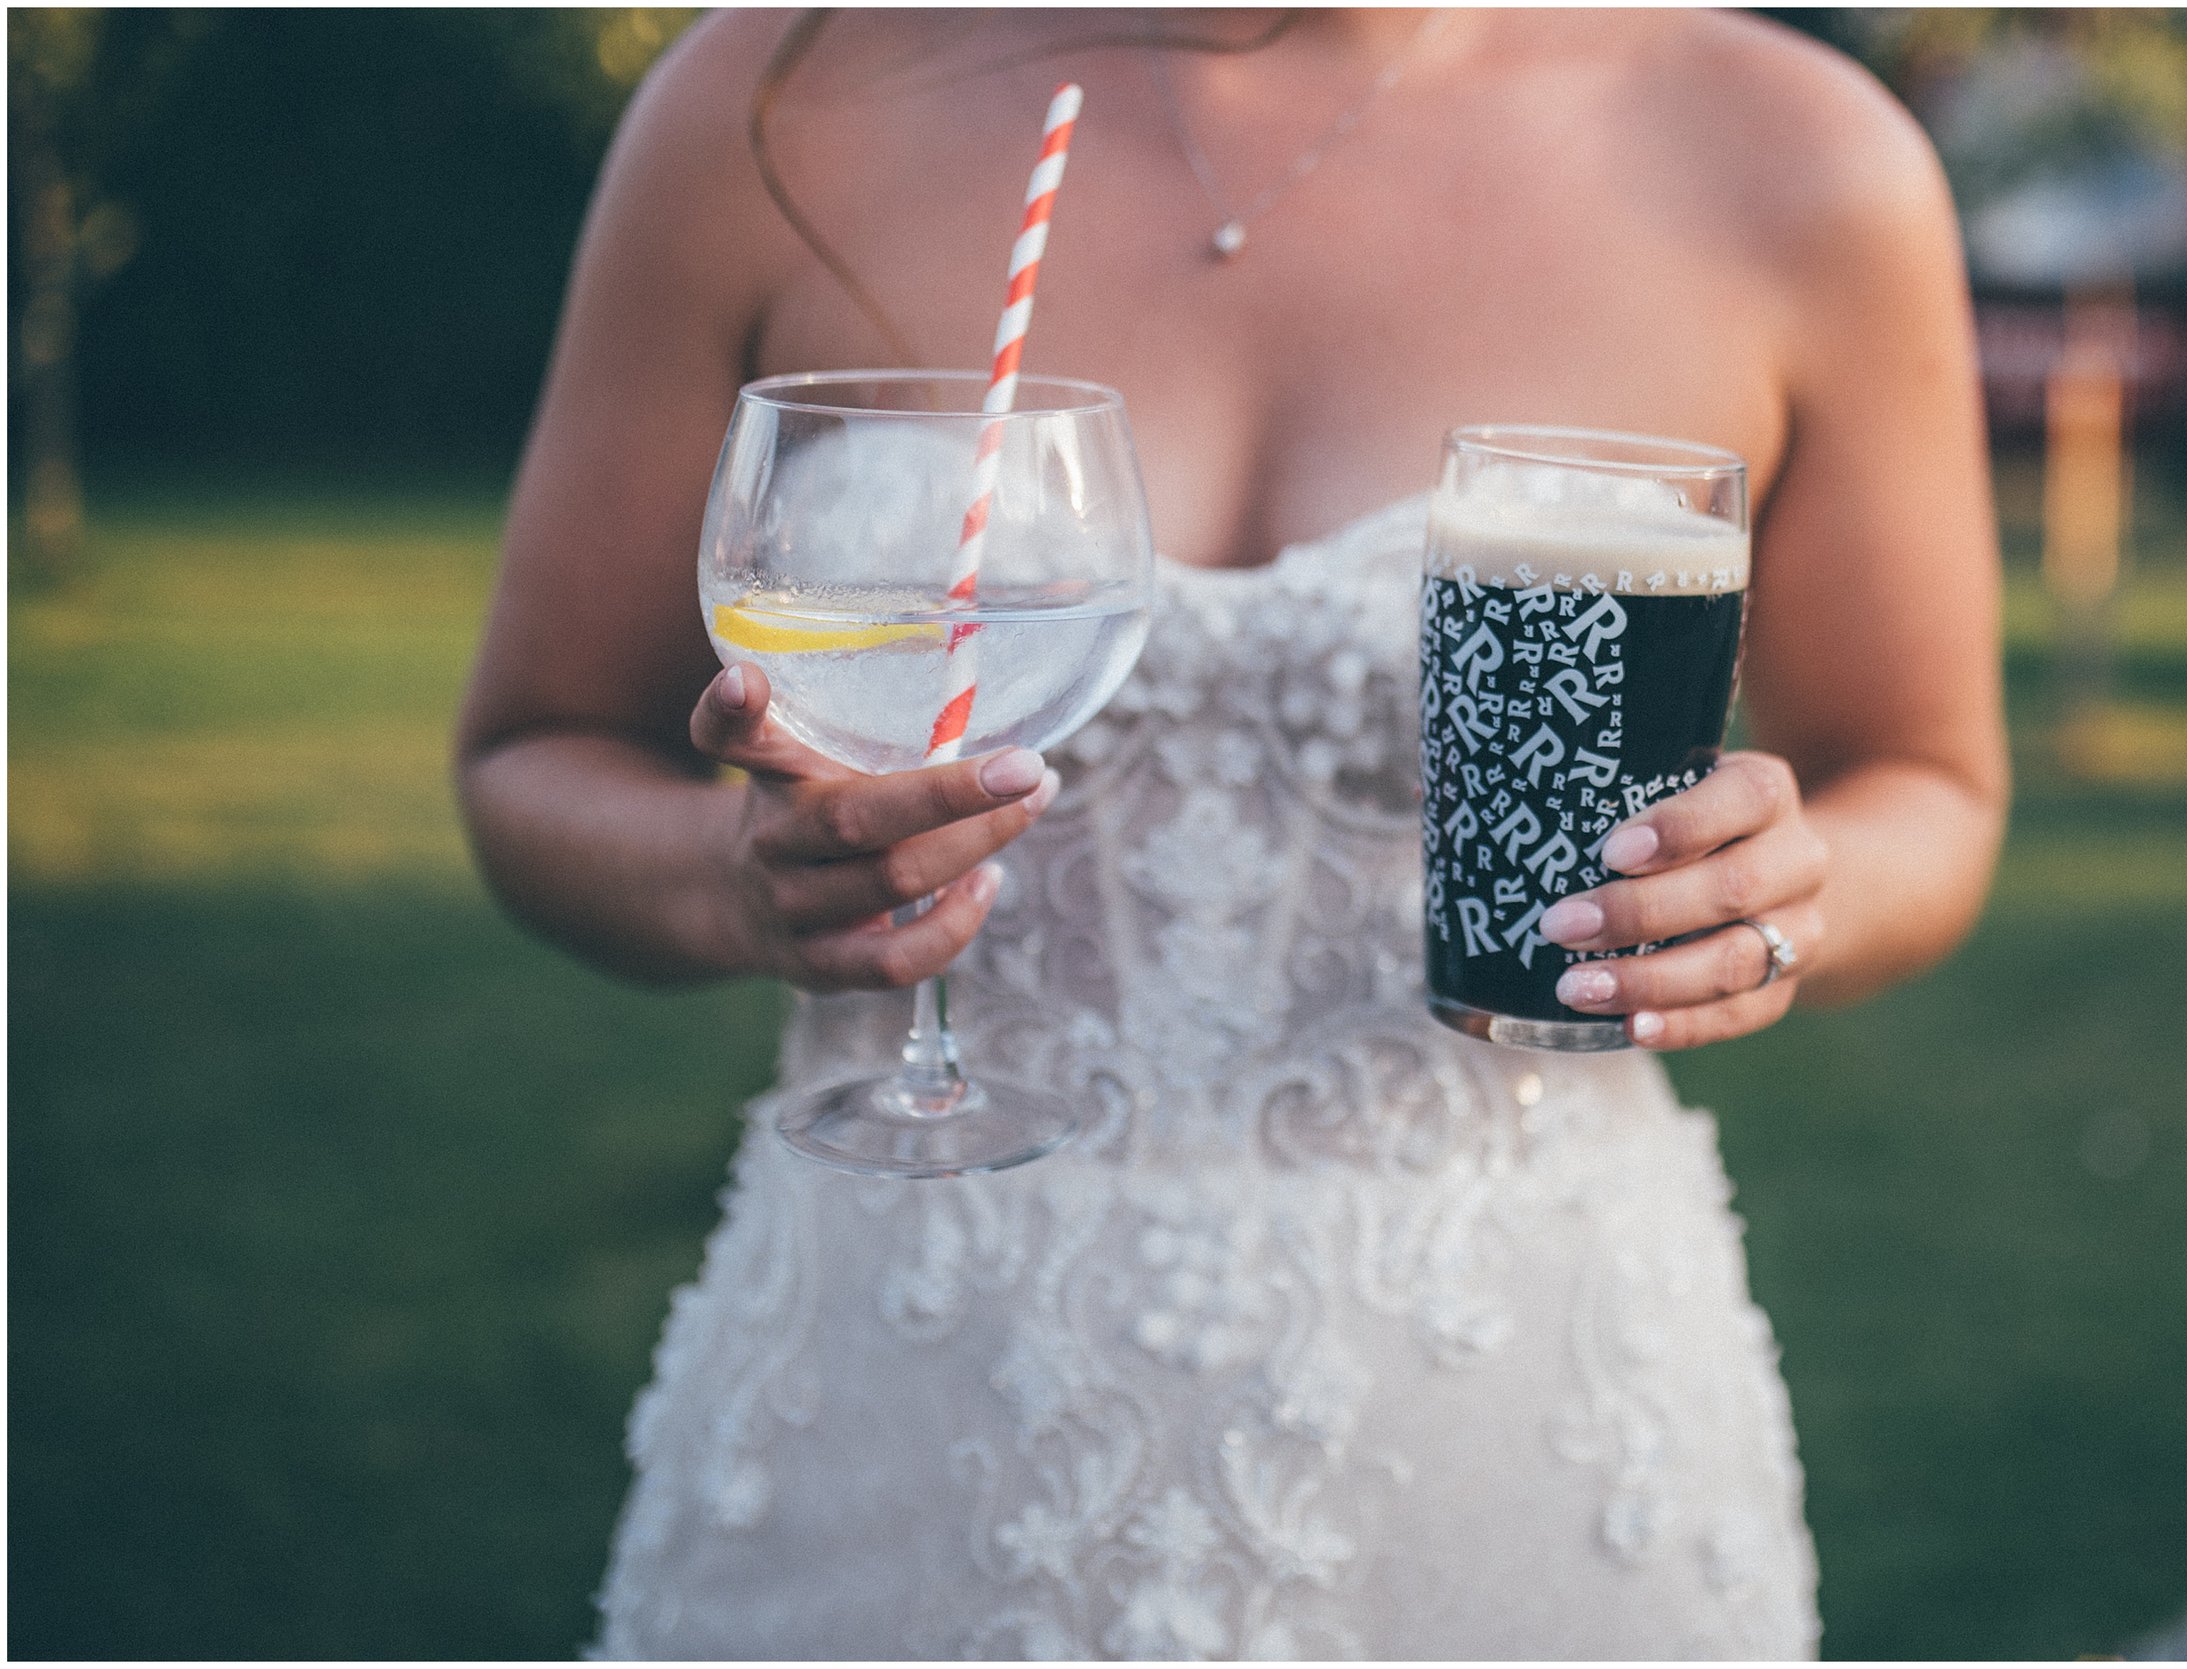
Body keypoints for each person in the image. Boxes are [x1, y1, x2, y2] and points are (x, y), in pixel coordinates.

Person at [456, 9, 2008, 1658]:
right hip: (893, 1403)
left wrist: (1785, 897)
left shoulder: (1800, 154)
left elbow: (1929, 783)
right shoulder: (784, 91)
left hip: (1519, 1425)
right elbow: (534, 754)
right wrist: (737, 887)